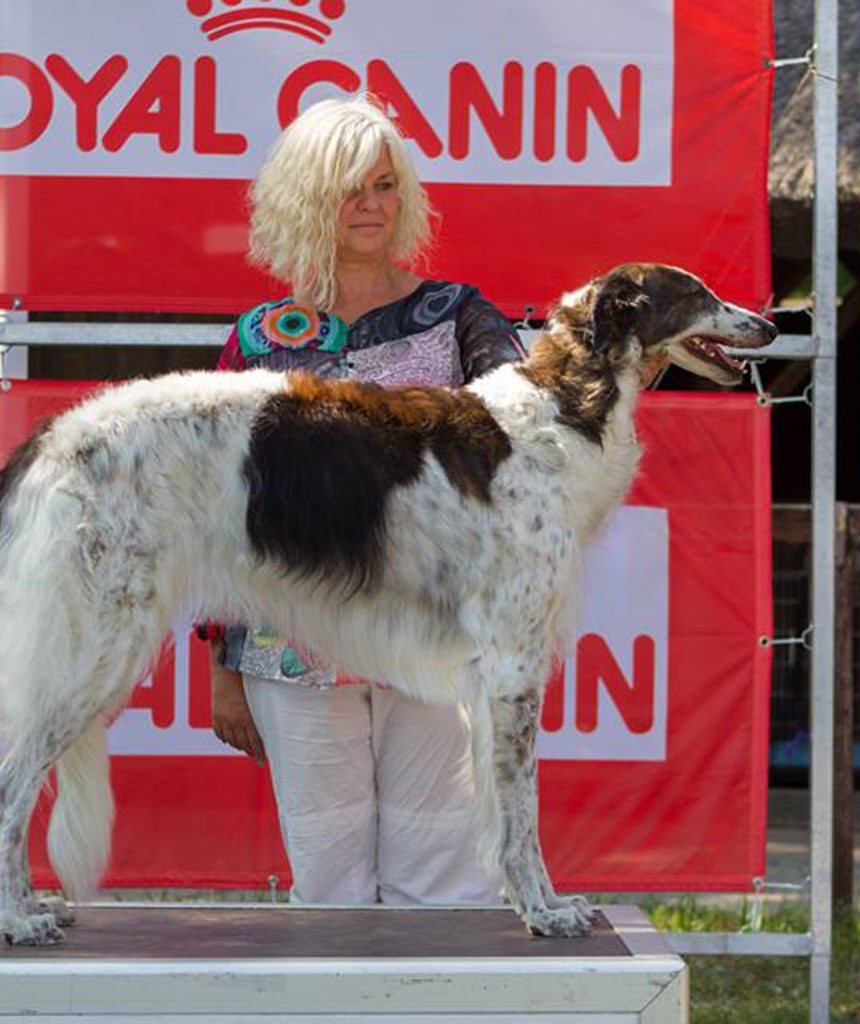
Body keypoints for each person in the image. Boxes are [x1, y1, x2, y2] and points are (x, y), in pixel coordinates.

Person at [206, 95, 525, 906]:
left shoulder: (459, 318)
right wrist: (222, 669)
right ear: (308, 196)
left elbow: (531, 425)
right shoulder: (258, 339)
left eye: (385, 184)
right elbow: (219, 511)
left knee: (444, 877)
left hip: (433, 636)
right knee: (328, 881)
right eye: (350, 187)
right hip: (294, 641)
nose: (372, 205)